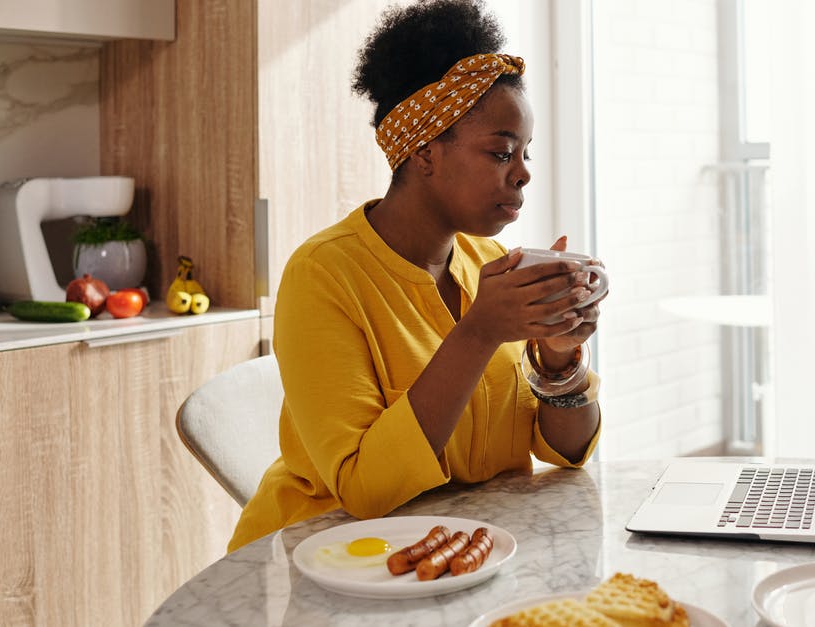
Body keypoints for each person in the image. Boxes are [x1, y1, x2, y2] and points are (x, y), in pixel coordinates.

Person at [228, 0, 605, 552]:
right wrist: (478, 332)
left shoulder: (487, 262)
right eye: (502, 152)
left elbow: (565, 451)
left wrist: (558, 357)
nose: (524, 173)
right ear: (425, 153)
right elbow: (365, 490)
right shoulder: (323, 276)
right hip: (326, 563)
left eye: (526, 152)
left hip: (464, 553)